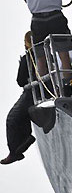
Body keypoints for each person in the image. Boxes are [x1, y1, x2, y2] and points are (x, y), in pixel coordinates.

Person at [1, 32, 36, 164]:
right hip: (46, 90)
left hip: (32, 91)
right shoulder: (48, 54)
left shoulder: (27, 58)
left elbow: (20, 81)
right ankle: (25, 139)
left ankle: (14, 152)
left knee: (12, 118)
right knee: (23, 114)